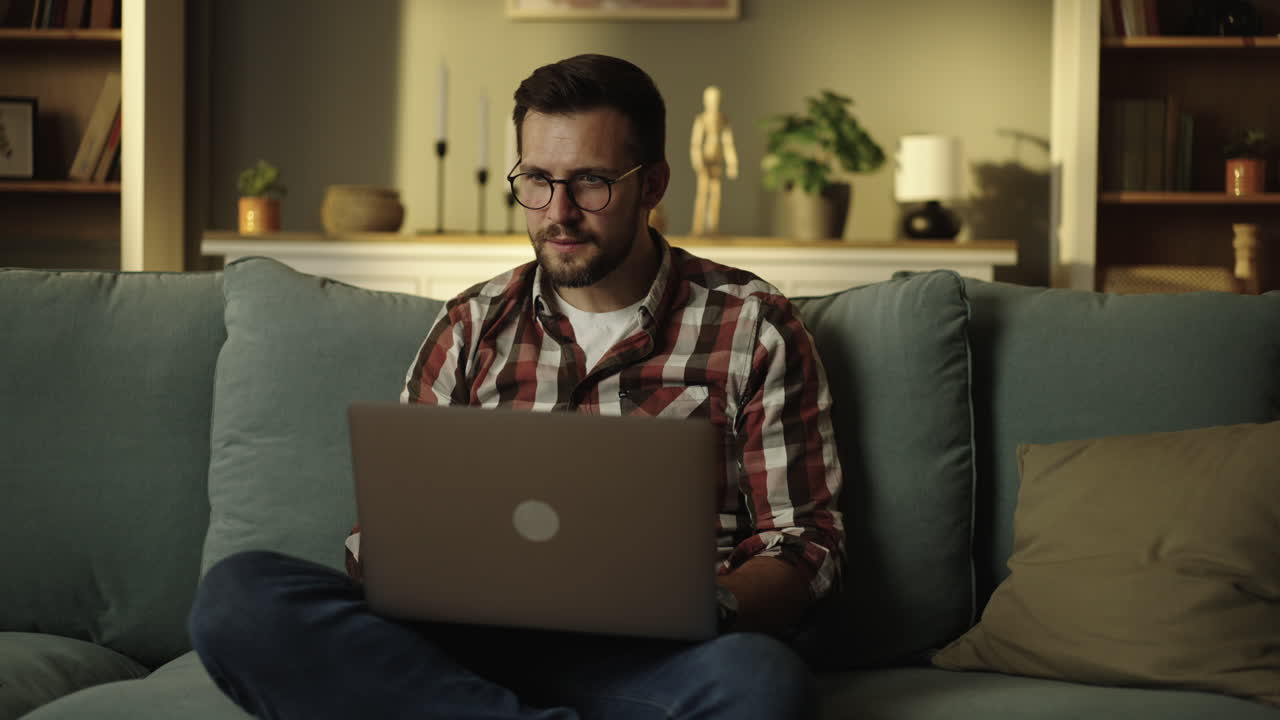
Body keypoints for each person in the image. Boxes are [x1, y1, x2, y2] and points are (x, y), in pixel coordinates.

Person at [188, 54, 844, 720]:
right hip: (463, 653)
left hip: (654, 664)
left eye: (591, 182)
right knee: (239, 598)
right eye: (536, 180)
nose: (558, 212)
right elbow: (383, 531)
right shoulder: (471, 325)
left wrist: (718, 600)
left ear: (653, 185)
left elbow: (804, 543)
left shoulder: (752, 323)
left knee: (761, 683)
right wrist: (401, 562)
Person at [690, 85, 738, 235]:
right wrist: (697, 161)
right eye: (711, 100)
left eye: (716, 100)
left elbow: (728, 142)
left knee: (716, 195)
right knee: (702, 194)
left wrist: (732, 163)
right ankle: (698, 227)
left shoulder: (722, 119)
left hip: (717, 161)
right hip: (705, 161)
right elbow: (696, 143)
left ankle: (713, 227)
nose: (713, 103)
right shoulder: (702, 119)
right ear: (706, 101)